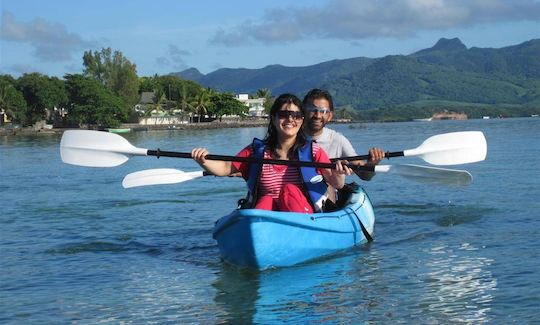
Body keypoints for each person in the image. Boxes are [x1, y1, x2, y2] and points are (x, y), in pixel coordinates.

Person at [191, 93, 352, 213]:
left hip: (303, 216)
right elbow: (226, 168)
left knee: (289, 191)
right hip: (268, 217)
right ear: (274, 119)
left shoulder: (313, 151)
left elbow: (337, 183)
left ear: (302, 120)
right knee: (266, 200)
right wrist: (203, 160)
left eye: (296, 115)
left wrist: (339, 173)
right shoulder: (256, 151)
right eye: (284, 115)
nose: (290, 120)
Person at [302, 88, 385, 181]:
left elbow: (364, 175)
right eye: (312, 110)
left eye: (323, 111)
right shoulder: (290, 137)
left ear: (330, 116)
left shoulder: (338, 140)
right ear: (303, 111)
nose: (317, 115)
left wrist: (372, 164)